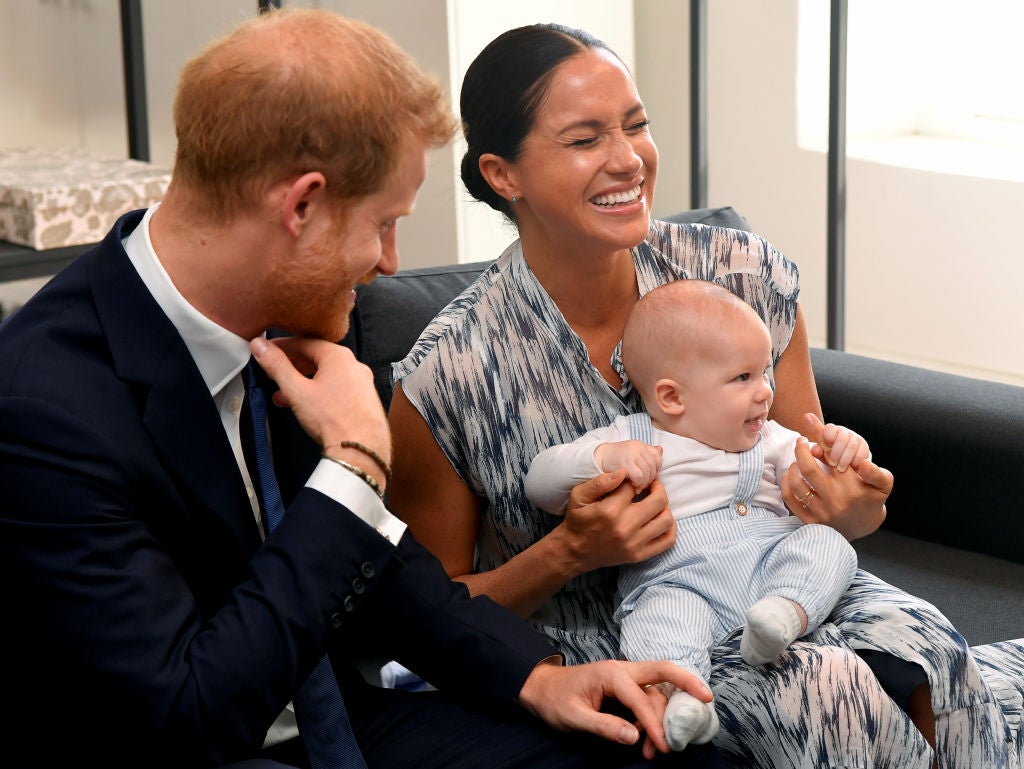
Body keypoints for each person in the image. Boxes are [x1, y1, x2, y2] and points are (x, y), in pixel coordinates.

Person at [0, 9, 726, 769]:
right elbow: (187, 712)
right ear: (301, 205)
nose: (389, 260)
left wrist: (540, 677)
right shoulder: (44, 412)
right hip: (201, 738)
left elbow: (385, 563)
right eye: (383, 223)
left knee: (658, 752)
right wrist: (350, 471)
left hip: (340, 720)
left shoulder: (297, 311)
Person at [387, 22, 1016, 769]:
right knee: (825, 687)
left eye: (636, 125)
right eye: (586, 139)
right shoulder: (449, 374)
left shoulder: (740, 275)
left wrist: (849, 503)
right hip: (643, 637)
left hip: (796, 583)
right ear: (503, 174)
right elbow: (429, 616)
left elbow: (821, 484)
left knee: (933, 647)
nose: (628, 159)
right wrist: (567, 553)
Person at [525, 279, 870, 750]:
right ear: (671, 398)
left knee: (829, 546)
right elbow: (540, 483)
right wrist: (604, 458)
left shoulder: (768, 439)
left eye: (765, 374)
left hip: (770, 564)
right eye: (743, 378)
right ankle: (686, 699)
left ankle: (784, 615)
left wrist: (844, 450)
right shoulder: (634, 438)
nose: (765, 393)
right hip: (678, 581)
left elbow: (819, 470)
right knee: (658, 620)